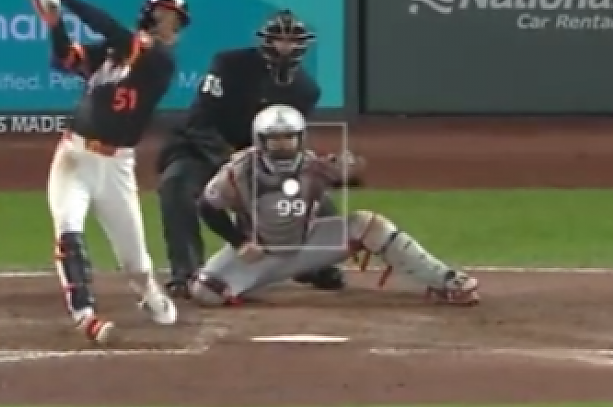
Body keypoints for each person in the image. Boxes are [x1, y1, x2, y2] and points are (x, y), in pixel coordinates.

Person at [32, 0, 187, 345]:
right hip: (74, 156)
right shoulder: (112, 53)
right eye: (169, 17)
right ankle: (84, 315)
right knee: (68, 230)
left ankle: (147, 290)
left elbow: (114, 31)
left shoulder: (160, 62)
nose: (174, 27)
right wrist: (55, 22)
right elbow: (65, 59)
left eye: (177, 21)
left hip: (117, 165)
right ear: (151, 16)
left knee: (136, 264)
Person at [190, 106, 480, 307]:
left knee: (368, 224)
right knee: (206, 293)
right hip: (258, 252)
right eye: (275, 139)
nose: (283, 145)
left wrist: (349, 168)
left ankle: (446, 281)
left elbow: (352, 177)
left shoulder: (313, 165)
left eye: (289, 138)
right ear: (260, 141)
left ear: (300, 138)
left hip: (307, 244)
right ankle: (257, 280)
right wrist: (239, 242)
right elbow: (207, 206)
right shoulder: (238, 171)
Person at [156, 11, 351, 298]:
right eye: (279, 40)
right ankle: (186, 272)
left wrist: (307, 169)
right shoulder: (229, 65)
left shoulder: (306, 90)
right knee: (176, 185)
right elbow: (200, 120)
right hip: (202, 148)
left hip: (259, 159)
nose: (285, 47)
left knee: (315, 196)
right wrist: (229, 159)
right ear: (266, 41)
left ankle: (312, 265)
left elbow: (290, 141)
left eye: (292, 41)